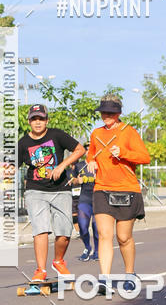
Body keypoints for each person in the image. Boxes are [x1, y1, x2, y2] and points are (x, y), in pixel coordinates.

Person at [86, 96, 150, 293]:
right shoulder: (96, 133)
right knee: (104, 234)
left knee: (123, 237)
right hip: (102, 188)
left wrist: (123, 152)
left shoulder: (128, 131)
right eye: (104, 113)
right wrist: (91, 161)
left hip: (126, 189)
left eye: (111, 113)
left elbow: (145, 157)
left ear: (119, 114)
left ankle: (129, 274)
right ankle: (104, 279)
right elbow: (91, 153)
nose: (107, 116)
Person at [18, 104, 85, 282]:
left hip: (60, 189)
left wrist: (62, 166)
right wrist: (3, 172)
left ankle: (58, 261)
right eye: (34, 119)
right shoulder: (23, 143)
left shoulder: (57, 135)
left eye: (41, 118)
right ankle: (40, 270)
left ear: (47, 120)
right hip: (35, 190)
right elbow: (12, 165)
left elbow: (80, 149)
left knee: (64, 231)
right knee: (40, 229)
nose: (38, 122)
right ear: (29, 121)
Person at [72, 158, 99, 261]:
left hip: (98, 199)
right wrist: (77, 181)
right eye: (86, 149)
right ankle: (87, 247)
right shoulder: (80, 165)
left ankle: (97, 250)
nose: (88, 151)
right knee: (82, 226)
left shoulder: (100, 163)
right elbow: (73, 180)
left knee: (96, 227)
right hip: (85, 199)